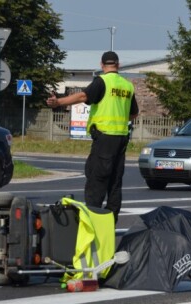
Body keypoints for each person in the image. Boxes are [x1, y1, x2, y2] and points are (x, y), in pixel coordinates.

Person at [46, 51, 139, 223]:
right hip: (121, 140)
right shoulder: (127, 86)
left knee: (97, 182)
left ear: (102, 65)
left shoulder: (102, 82)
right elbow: (133, 114)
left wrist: (58, 102)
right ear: (118, 65)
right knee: (115, 184)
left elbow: (83, 96)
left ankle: (94, 224)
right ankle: (110, 225)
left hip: (104, 139)